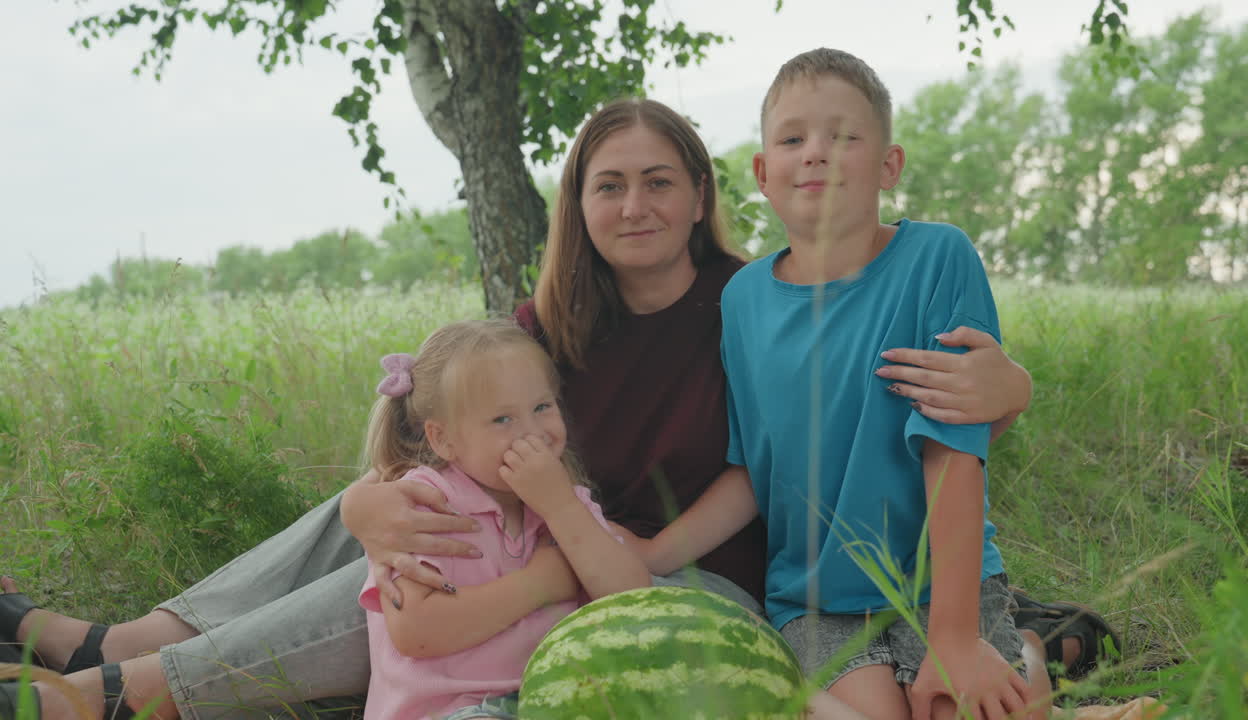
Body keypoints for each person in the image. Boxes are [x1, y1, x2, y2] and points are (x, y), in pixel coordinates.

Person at [0, 96, 1088, 720]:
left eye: (660, 180)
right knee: (412, 513)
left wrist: (1014, 390)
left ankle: (122, 689)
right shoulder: (550, 316)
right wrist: (372, 504)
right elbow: (446, 423)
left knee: (461, 552)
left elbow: (869, 407)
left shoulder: (751, 302)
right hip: (540, 525)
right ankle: (117, 637)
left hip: (676, 568)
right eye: (608, 184)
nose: (634, 204)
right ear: (578, 203)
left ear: (701, 195)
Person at [625, 49, 1061, 720]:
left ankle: (1027, 650)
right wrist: (656, 554)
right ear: (764, 174)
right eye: (794, 138)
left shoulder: (936, 258)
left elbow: (953, 448)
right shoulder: (743, 301)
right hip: (814, 598)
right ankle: (1021, 658)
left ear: (889, 165)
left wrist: (952, 638)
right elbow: (754, 467)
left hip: (940, 588)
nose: (817, 154)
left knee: (961, 709)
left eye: (845, 136)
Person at [356, 319, 648, 720]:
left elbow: (635, 598)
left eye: (542, 407)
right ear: (443, 439)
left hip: (550, 700)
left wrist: (561, 508)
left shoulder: (566, 503)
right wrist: (541, 583)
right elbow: (416, 631)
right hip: (447, 710)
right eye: (502, 420)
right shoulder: (424, 502)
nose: (533, 432)